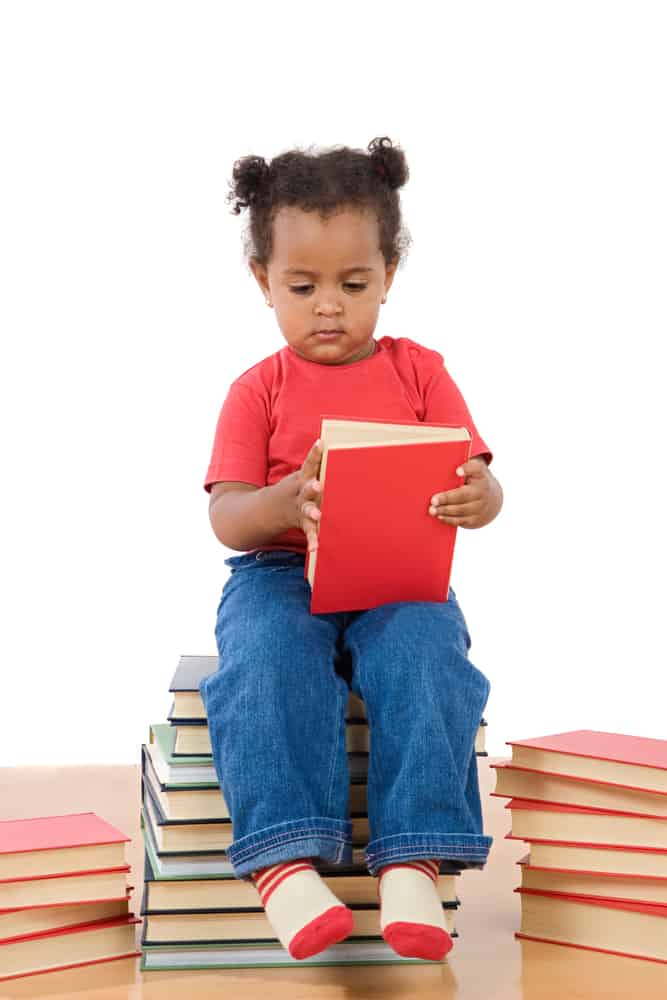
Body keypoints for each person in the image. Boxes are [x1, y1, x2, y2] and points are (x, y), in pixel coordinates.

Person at [200, 136, 504, 962]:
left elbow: (474, 475)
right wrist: (283, 502)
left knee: (429, 649)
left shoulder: (419, 371)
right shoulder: (256, 388)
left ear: (389, 277)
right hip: (277, 572)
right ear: (263, 281)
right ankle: (284, 864)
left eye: (353, 284)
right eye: (302, 287)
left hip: (396, 570)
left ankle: (413, 855)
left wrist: (483, 496)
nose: (328, 305)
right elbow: (228, 516)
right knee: (265, 658)